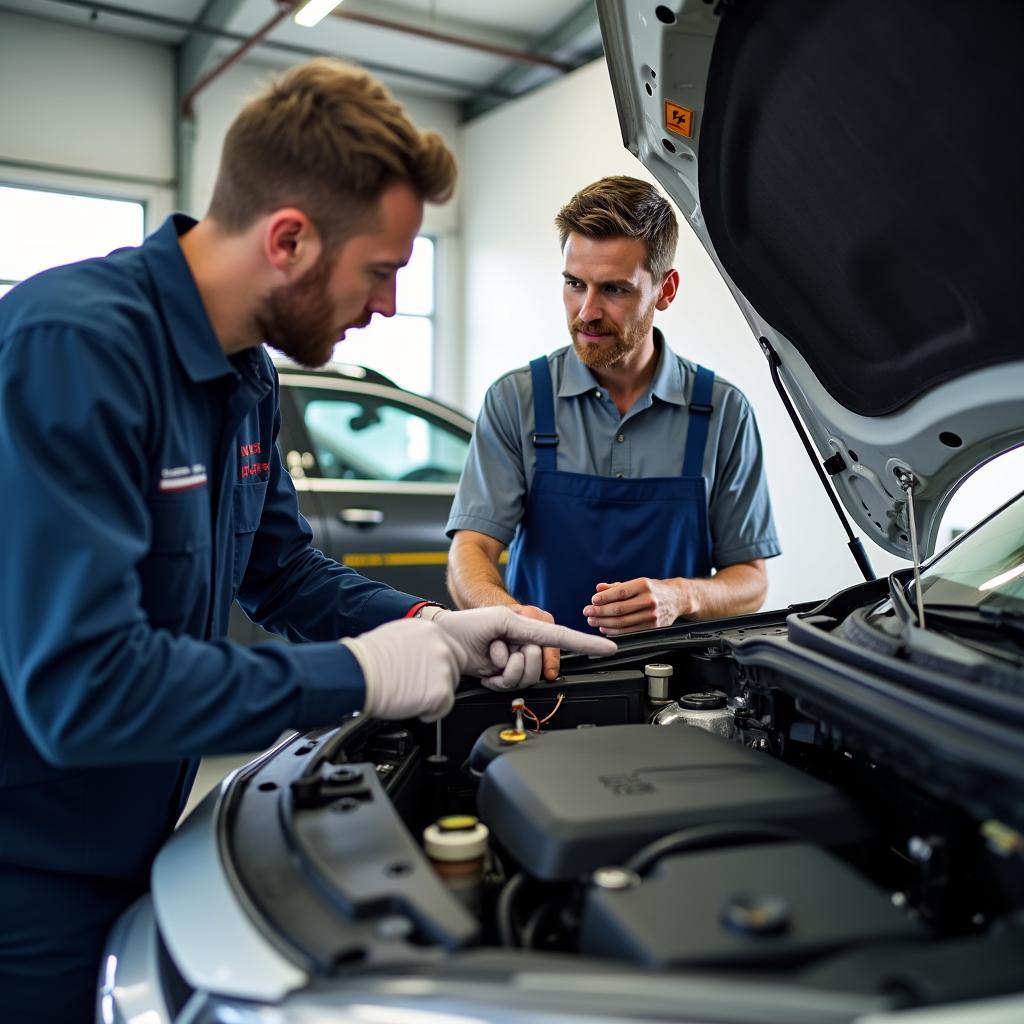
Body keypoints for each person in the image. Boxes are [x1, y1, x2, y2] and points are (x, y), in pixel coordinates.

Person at [0, 60, 614, 1022]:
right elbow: (82, 690)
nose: (385, 308)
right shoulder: (75, 351)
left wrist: (435, 626)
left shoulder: (245, 376)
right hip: (26, 870)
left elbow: (282, 570)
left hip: (140, 839)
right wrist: (360, 676)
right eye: (381, 273)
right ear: (288, 238)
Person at [446, 176, 780, 678]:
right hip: (543, 679)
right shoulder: (516, 400)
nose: (587, 312)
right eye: (574, 283)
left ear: (664, 290)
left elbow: (751, 580)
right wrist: (509, 617)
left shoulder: (723, 411)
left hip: (679, 688)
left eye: (614, 290)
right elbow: (469, 550)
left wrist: (679, 595)